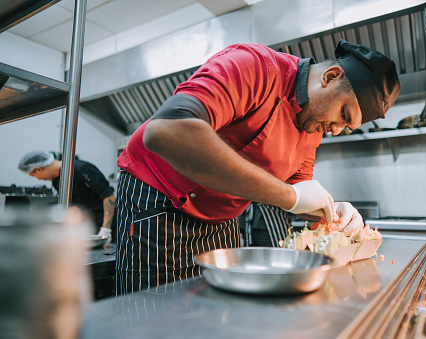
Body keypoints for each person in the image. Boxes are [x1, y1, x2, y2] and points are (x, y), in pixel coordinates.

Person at [115, 39, 400, 294]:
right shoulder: (254, 67)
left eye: (346, 126)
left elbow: (293, 193)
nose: (336, 130)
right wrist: (292, 197)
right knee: (152, 319)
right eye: (343, 113)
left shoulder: (314, 127)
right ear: (330, 76)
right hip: (159, 203)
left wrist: (331, 214)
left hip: (222, 222)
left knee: (216, 317)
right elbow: (166, 131)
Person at [18, 151, 116, 243]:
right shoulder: (56, 180)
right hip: (87, 225)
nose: (38, 179)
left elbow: (109, 196)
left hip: (103, 225)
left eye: (33, 175)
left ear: (37, 169)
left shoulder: (82, 168)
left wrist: (106, 229)